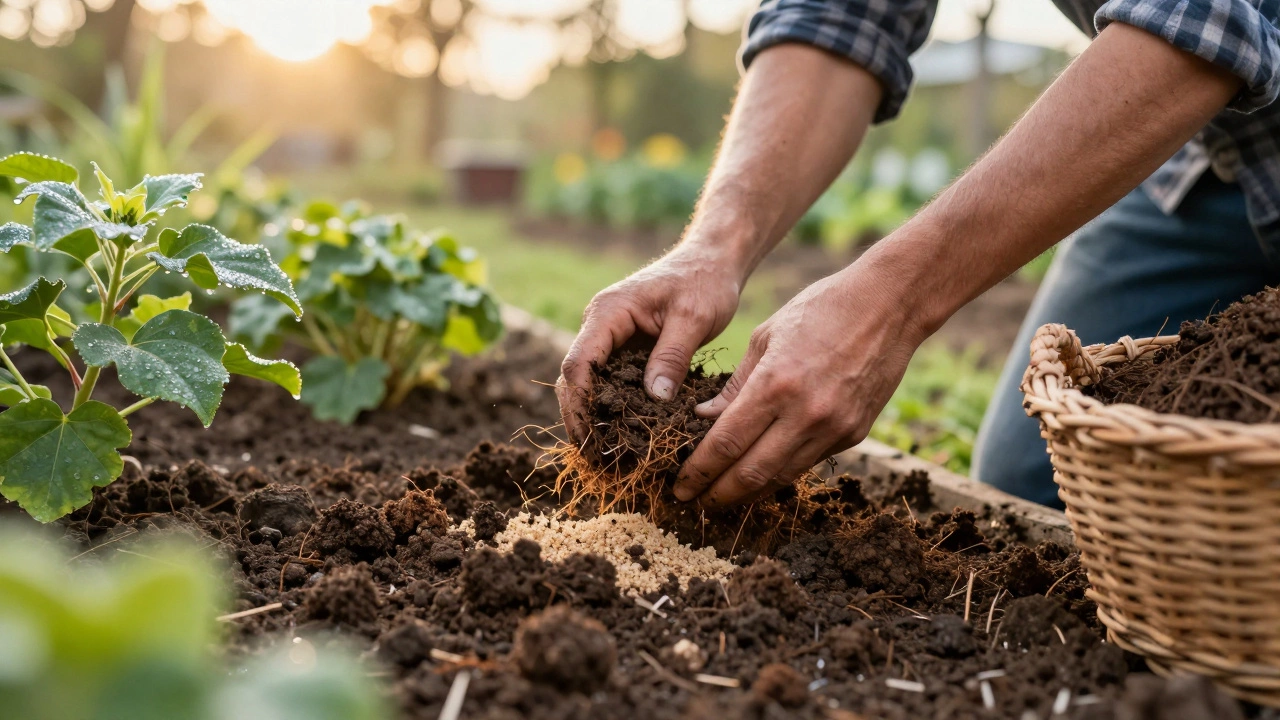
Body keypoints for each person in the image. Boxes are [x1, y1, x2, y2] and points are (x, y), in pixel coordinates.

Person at [556, 0, 1280, 510]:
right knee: (1040, 482)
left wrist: (890, 302)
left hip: (1209, 90)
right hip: (1210, 158)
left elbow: (1207, 17)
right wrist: (710, 250)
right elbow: (836, 16)